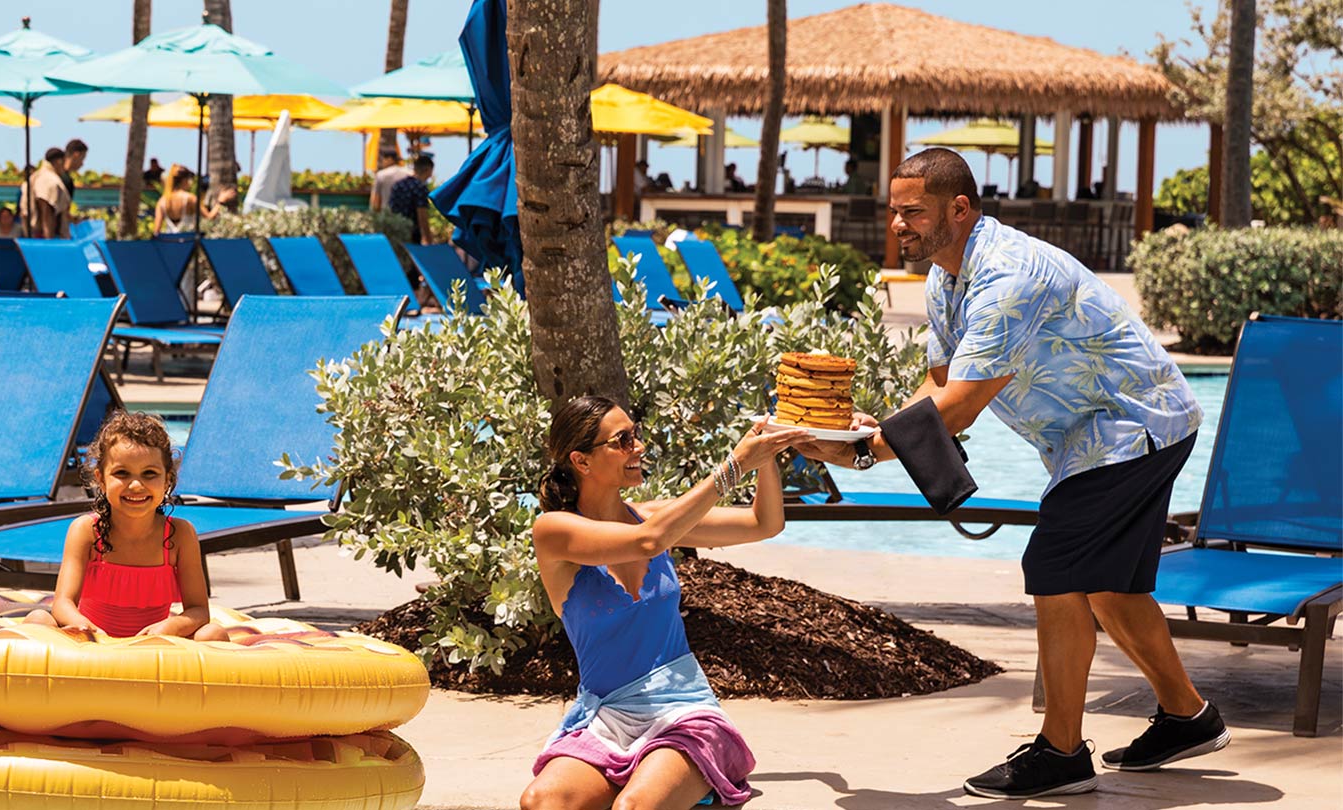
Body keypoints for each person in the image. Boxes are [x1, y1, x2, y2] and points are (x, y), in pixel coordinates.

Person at [794, 147, 1220, 800]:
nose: (898, 225)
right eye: (894, 212)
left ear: (959, 209)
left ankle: (1061, 752)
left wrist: (863, 453)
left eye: (912, 212)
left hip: (1133, 425)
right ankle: (1188, 716)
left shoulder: (1005, 276)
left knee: (1055, 565)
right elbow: (940, 390)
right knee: (1108, 588)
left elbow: (960, 406)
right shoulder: (945, 279)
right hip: (1103, 436)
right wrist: (864, 429)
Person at [521, 396, 808, 809]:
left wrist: (763, 453)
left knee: (633, 808)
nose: (637, 447)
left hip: (685, 711)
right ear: (581, 461)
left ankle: (685, 777)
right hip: (607, 717)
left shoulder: (651, 516)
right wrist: (733, 467)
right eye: (622, 440)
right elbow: (648, 542)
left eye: (635, 435)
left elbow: (764, 523)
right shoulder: (554, 531)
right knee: (542, 802)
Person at [23, 412, 226, 641]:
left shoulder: (179, 535)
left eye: (150, 474)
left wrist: (171, 625)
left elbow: (199, 611)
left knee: (213, 633)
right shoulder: (87, 531)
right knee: (39, 619)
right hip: (93, 643)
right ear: (101, 479)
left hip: (154, 648)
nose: (136, 485)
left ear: (168, 479)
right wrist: (82, 625)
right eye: (122, 473)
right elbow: (62, 602)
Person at [388, 155, 435, 245]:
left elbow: (391, 209)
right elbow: (422, 215)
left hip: (395, 231)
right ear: (427, 170)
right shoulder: (420, 188)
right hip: (412, 235)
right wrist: (428, 239)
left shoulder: (398, 185)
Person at [26, 147, 72, 239]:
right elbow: (46, 210)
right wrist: (49, 241)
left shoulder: (37, 176)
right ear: (59, 161)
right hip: (46, 237)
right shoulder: (49, 180)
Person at [156, 165, 206, 233]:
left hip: (169, 241)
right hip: (188, 241)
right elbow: (209, 217)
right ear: (184, 180)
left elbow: (156, 231)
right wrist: (220, 202)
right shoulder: (190, 198)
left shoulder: (162, 201)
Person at [369, 146, 411, 212]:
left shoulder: (381, 175)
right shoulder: (409, 174)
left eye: (382, 159)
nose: (381, 162)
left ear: (389, 159)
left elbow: (375, 202)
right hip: (406, 216)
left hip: (387, 216)